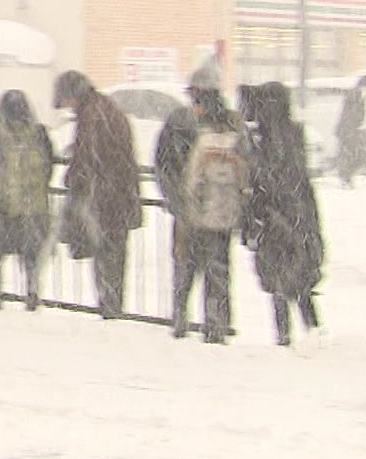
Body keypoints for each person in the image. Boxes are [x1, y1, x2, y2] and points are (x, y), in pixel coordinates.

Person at [155, 60, 249, 344]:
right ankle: (216, 325)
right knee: (217, 271)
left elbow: (164, 164)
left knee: (185, 267)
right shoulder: (234, 125)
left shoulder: (180, 121)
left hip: (191, 210)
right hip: (222, 213)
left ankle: (181, 320)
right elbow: (247, 167)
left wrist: (174, 198)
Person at [240, 82, 326, 348]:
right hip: (298, 215)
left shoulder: (267, 140)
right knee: (299, 281)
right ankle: (313, 332)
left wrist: (257, 209)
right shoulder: (293, 134)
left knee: (280, 279)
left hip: (275, 217)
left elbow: (266, 177)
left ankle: (286, 337)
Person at [53, 71, 142, 319]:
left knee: (105, 254)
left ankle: (109, 306)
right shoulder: (106, 108)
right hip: (119, 196)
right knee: (114, 254)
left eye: (68, 101)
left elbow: (87, 158)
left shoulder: (91, 115)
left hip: (105, 198)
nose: (69, 108)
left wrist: (73, 179)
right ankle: (112, 303)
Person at [0, 90, 54, 311]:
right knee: (30, 258)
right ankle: (31, 296)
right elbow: (49, 166)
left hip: (3, 207)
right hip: (33, 208)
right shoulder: (39, 135)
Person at [334, 76, 366, 187]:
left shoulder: (357, 95)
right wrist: (350, 129)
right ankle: (345, 177)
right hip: (348, 130)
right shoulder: (354, 95)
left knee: (353, 155)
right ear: (363, 86)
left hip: (350, 130)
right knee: (356, 155)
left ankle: (345, 177)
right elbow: (349, 114)